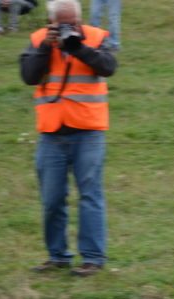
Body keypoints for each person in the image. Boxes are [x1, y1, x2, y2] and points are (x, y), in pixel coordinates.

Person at [19, 0, 116, 276]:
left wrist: (79, 47)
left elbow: (108, 67)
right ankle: (58, 256)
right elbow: (28, 76)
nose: (67, 28)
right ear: (50, 22)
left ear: (80, 19)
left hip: (88, 131)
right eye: (61, 23)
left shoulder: (96, 37)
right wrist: (45, 48)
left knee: (90, 195)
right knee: (51, 199)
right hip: (51, 133)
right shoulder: (38, 40)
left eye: (72, 23)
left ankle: (93, 259)